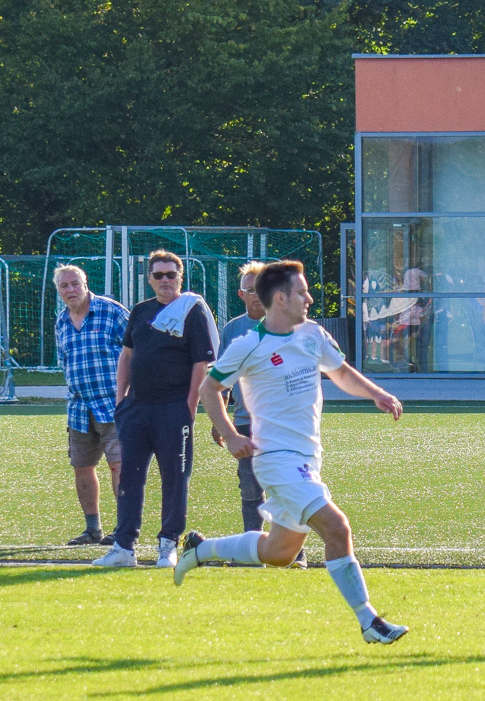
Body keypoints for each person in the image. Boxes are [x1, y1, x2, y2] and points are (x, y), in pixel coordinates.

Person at [173, 260, 408, 645]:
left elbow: (341, 372)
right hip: (276, 460)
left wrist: (376, 394)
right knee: (337, 527)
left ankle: (200, 549)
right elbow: (209, 389)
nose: (309, 298)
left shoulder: (313, 334)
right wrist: (231, 435)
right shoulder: (249, 345)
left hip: (307, 458)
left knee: (278, 552)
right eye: (302, 292)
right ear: (280, 298)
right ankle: (369, 621)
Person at [92, 250, 217, 569]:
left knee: (175, 478)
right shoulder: (140, 311)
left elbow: (201, 363)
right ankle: (124, 547)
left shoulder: (191, 312)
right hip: (136, 410)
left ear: (180, 277)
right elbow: (127, 355)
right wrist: (121, 400)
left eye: (170, 274)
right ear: (149, 279)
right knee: (129, 479)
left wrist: (189, 406)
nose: (165, 280)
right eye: (158, 275)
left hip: (173, 410)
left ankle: (168, 545)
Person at [216, 262, 307, 568]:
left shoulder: (292, 325)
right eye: (249, 290)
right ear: (241, 294)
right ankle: (250, 552)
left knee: (289, 487)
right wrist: (222, 423)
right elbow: (222, 380)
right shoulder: (232, 329)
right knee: (250, 489)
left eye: (260, 288)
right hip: (246, 422)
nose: (255, 295)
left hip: (283, 425)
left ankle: (295, 554)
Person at [52, 265, 127, 546]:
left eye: (75, 284)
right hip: (79, 409)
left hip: (114, 405)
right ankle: (92, 528)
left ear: (86, 284)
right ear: (59, 291)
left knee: (119, 466)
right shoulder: (61, 321)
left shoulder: (112, 312)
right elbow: (64, 361)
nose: (70, 290)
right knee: (82, 467)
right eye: (64, 286)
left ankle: (124, 528)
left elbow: (136, 351)